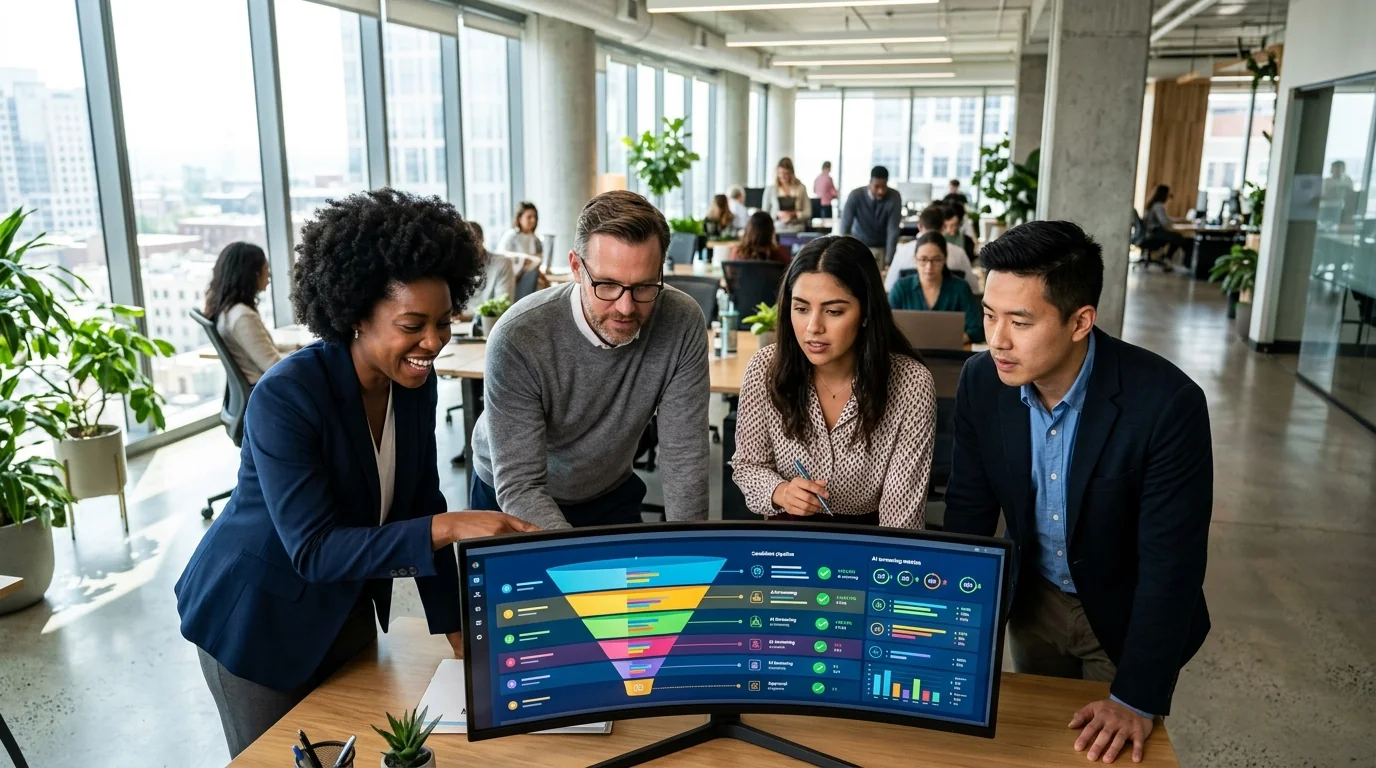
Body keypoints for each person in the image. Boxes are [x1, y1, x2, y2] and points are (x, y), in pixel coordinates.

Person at [175, 189, 538, 758]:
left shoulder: (414, 387)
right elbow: (315, 549)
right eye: (413, 324)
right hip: (255, 620)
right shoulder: (286, 398)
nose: (434, 342)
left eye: (443, 322)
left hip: (340, 611)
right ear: (354, 316)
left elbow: (422, 502)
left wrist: (457, 629)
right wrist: (451, 528)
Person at [944, 221, 1212, 765]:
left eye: (1019, 321)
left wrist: (1137, 696)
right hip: (1033, 598)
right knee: (1039, 743)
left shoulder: (1166, 406)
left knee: (1108, 751)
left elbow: (1172, 564)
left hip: (1121, 612)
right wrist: (953, 635)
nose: (997, 338)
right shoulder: (981, 381)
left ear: (1080, 321)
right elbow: (969, 515)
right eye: (991, 315)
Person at [469, 190, 711, 529]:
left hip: (608, 487)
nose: (626, 307)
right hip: (512, 495)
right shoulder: (517, 337)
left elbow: (684, 457)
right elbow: (522, 485)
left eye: (644, 287)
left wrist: (692, 555)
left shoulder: (682, 320)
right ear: (575, 268)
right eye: (607, 285)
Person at [731, 235, 935, 528]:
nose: (813, 328)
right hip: (786, 535)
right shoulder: (766, 367)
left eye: (834, 311)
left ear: (866, 312)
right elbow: (748, 466)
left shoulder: (910, 384)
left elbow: (900, 516)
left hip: (870, 542)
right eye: (801, 309)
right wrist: (781, 491)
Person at [203, 241, 283, 385]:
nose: (269, 273)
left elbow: (262, 351)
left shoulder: (227, 311)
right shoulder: (242, 316)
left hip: (260, 389)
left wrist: (296, 350)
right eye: (266, 267)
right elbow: (274, 366)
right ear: (254, 274)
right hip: (267, 392)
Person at [887, 232, 984, 343]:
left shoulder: (960, 288)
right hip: (908, 353)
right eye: (923, 260)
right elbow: (884, 325)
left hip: (950, 355)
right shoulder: (901, 288)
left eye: (936, 260)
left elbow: (977, 329)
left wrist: (953, 340)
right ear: (915, 260)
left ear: (945, 259)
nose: (929, 267)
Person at [885, 204, 977, 294]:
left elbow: (889, 287)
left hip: (909, 307)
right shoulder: (958, 253)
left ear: (920, 226)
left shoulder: (903, 251)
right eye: (923, 260)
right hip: (949, 307)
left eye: (936, 260)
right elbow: (973, 289)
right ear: (943, 227)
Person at [839, 165, 902, 266]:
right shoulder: (855, 195)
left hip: (882, 248)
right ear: (869, 183)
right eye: (877, 186)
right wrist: (846, 254)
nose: (880, 191)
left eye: (884, 186)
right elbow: (845, 228)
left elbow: (893, 230)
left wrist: (889, 261)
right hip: (859, 246)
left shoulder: (894, 197)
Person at [461, 221, 516, 321]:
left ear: (482, 240)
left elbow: (502, 308)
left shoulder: (502, 263)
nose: (468, 248)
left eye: (472, 241)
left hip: (490, 326)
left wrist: (466, 317)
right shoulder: (454, 266)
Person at [1141, 184, 1189, 271]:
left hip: (1148, 233)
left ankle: (1167, 258)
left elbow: (1165, 219)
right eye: (1168, 194)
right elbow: (1165, 222)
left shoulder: (1152, 204)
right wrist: (1173, 225)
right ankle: (1167, 258)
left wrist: (1177, 220)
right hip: (1154, 233)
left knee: (1176, 237)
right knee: (1179, 238)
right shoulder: (1159, 205)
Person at [763, 157, 812, 233]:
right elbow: (765, 213)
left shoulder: (801, 188)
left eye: (786, 173)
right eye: (780, 173)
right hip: (776, 229)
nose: (783, 176)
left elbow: (808, 213)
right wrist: (777, 214)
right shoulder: (771, 190)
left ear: (791, 173)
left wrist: (793, 215)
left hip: (797, 229)